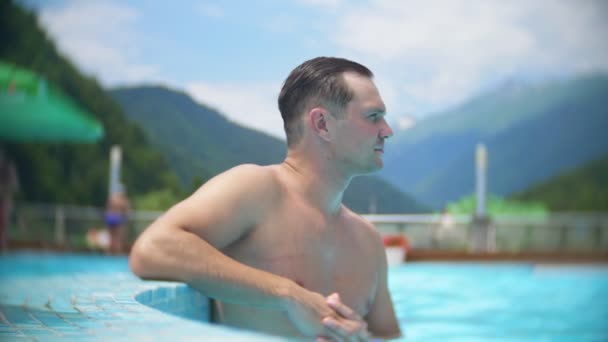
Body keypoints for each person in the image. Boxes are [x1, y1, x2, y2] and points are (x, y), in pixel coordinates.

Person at [129, 57, 401, 340]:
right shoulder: (256, 190)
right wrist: (287, 294)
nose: (387, 130)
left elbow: (389, 337)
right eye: (373, 116)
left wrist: (363, 339)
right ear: (322, 124)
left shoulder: (367, 241)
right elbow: (152, 250)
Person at [0, 149, 19, 252]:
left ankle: (3, 245)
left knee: (4, 224)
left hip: (5, 199)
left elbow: (14, 186)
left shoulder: (8, 167)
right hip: (5, 198)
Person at [105, 184, 129, 254]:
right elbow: (126, 211)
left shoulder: (112, 198)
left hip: (111, 218)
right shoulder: (123, 200)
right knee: (118, 238)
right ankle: (117, 253)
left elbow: (108, 208)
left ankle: (109, 252)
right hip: (118, 218)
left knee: (111, 237)